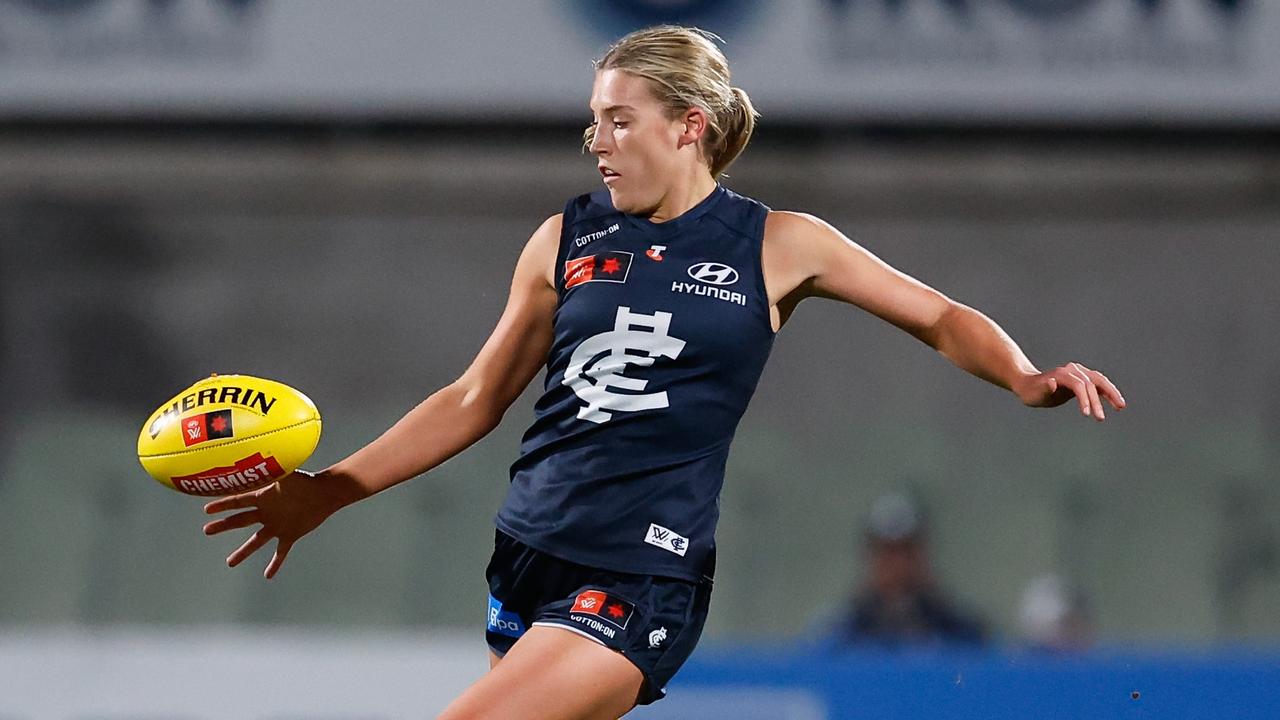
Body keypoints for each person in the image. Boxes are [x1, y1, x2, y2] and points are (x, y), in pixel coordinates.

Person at [201, 25, 1127, 719]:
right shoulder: (564, 237)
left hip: (642, 574)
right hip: (527, 554)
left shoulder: (779, 244)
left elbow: (937, 315)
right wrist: (330, 490)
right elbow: (476, 397)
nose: (596, 142)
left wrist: (1023, 374)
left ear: (691, 125)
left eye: (618, 120)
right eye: (591, 122)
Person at [828, 492, 986, 648]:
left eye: (907, 552)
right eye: (888, 553)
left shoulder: (960, 632)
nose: (898, 565)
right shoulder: (841, 634)